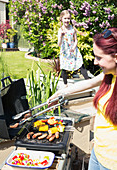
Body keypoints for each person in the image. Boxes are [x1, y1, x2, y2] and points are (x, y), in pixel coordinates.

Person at [48, 27, 117, 170]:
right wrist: (60, 93)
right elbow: (89, 83)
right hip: (98, 152)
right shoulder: (110, 75)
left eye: (99, 57)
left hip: (112, 162)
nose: (95, 62)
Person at [58, 10, 89, 87]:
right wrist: (61, 36)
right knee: (64, 67)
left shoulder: (72, 28)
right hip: (65, 51)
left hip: (73, 50)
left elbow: (76, 40)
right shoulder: (61, 30)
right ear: (61, 19)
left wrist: (74, 47)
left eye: (68, 18)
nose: (67, 20)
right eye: (65, 18)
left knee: (80, 63)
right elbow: (59, 44)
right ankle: (65, 84)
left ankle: (88, 81)